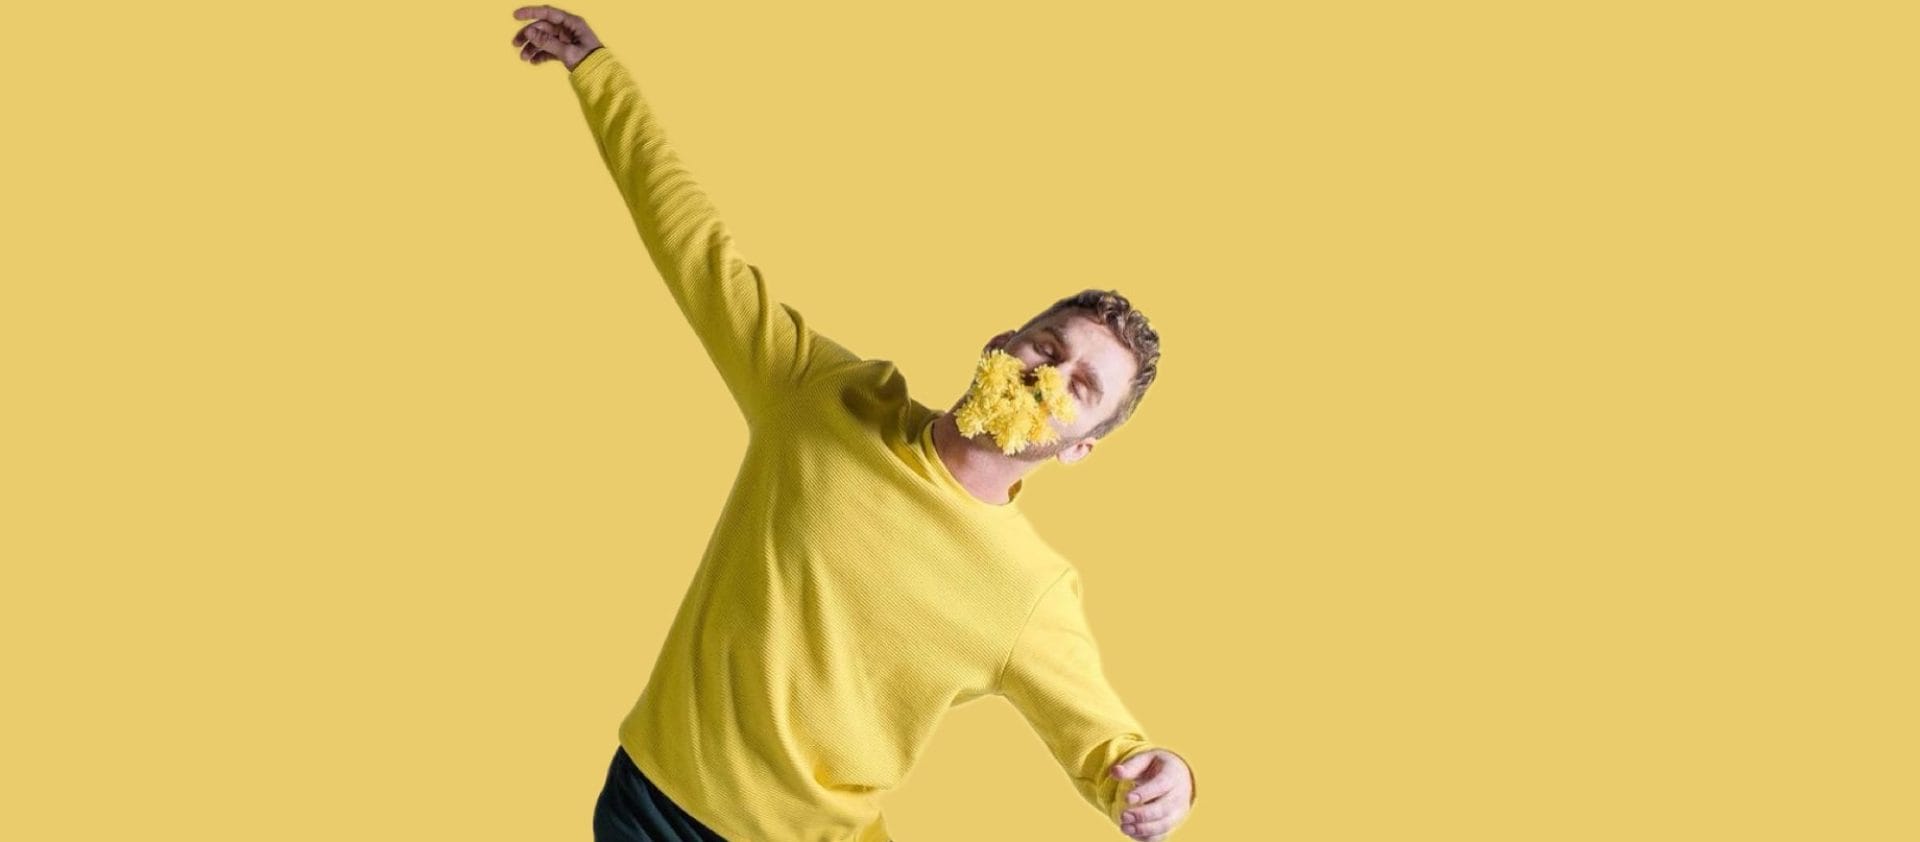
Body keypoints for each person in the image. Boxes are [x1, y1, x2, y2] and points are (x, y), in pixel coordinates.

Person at [511, 6, 1198, 841]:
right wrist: (601, 76)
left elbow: (1112, 751)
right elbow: (695, 249)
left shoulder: (1030, 591)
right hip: (650, 803)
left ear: (1082, 448)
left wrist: (1169, 779)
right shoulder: (823, 393)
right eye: (1045, 346)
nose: (1047, 374)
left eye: (1081, 386)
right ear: (998, 344)